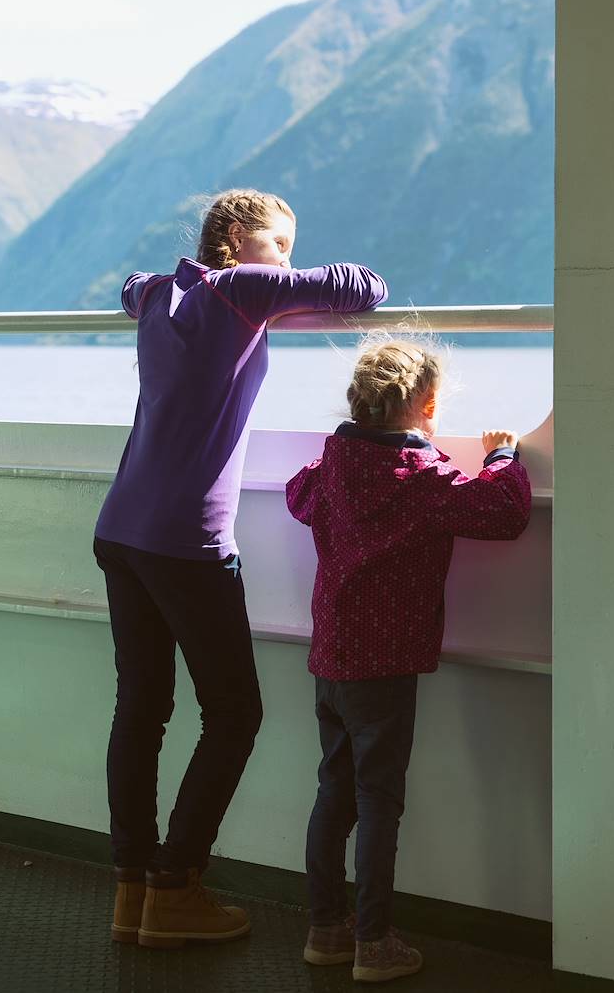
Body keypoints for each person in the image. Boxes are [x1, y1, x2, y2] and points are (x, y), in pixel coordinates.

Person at [93, 188, 388, 950]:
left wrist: (230, 290)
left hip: (120, 528)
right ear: (235, 236)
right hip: (185, 541)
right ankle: (176, 887)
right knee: (233, 714)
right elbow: (362, 287)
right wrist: (279, 288)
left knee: (142, 708)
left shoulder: (160, 293)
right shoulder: (243, 289)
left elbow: (129, 288)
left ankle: (132, 894)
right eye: (280, 243)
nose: (287, 259)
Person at [285, 338, 531, 984]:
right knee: (377, 801)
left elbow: (297, 493)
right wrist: (502, 454)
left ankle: (324, 930)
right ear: (427, 406)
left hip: (330, 656)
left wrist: (332, 453)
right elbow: (503, 512)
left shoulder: (333, 466)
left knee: (332, 791)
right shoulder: (423, 480)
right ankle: (374, 942)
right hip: (386, 665)